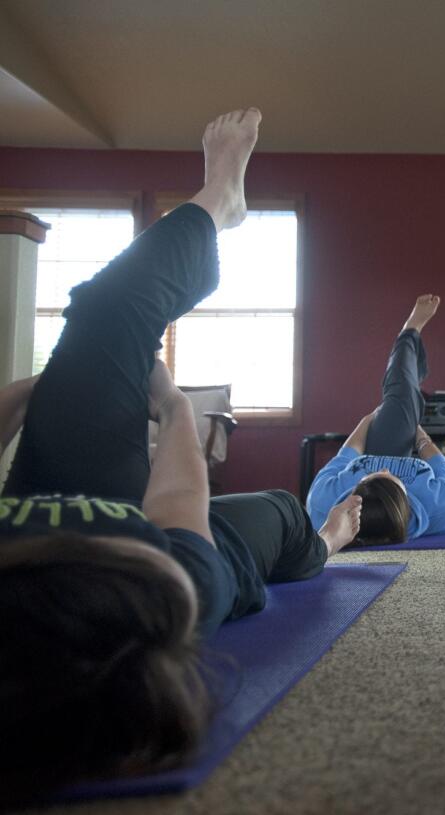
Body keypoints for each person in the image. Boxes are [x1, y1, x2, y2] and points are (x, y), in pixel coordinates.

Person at [0, 108, 363, 801]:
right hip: (181, 529)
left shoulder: (116, 597)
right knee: (284, 515)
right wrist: (170, 406)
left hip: (59, 484)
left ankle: (217, 206)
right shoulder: (170, 590)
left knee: (102, 315)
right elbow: (174, 503)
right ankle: (330, 539)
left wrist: (52, 387)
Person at [306, 297, 445, 544]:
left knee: (400, 400)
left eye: (369, 477)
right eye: (389, 477)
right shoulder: (444, 508)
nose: (383, 469)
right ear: (406, 501)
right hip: (408, 436)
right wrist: (418, 433)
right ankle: (409, 333)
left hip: (380, 436)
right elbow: (443, 468)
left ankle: (410, 345)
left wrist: (371, 418)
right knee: (401, 398)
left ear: (354, 497)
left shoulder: (324, 507)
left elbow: (346, 455)